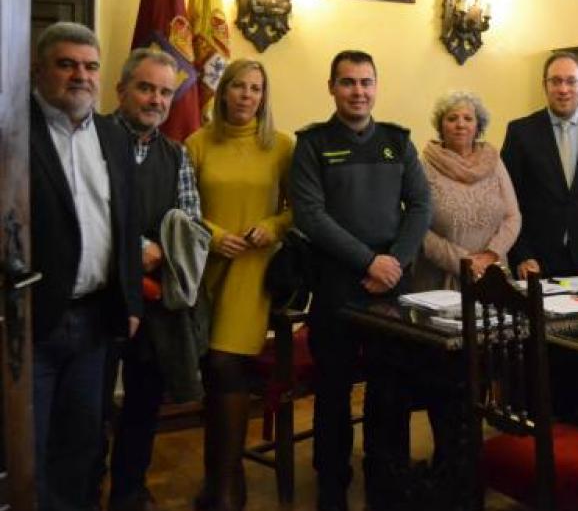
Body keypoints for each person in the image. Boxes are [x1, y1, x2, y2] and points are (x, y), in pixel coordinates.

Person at [290, 50, 432, 511]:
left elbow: (421, 207)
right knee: (333, 388)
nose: (358, 91)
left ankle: (384, 469)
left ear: (376, 86)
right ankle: (332, 477)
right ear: (331, 87)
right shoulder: (311, 144)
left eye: (366, 82)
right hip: (336, 283)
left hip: (392, 283)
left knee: (389, 383)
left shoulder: (398, 142)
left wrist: (395, 261)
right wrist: (368, 262)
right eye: (348, 82)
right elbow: (310, 215)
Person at [30, 22, 142, 511]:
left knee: (80, 446)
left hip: (95, 321)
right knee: (24, 448)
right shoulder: (12, 131)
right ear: (38, 70)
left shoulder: (113, 138)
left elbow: (127, 224)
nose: (81, 75)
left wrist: (131, 299)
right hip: (30, 322)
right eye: (67, 63)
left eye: (91, 66)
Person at [185, 58, 295, 510]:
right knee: (214, 370)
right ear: (222, 91)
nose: (247, 96)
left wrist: (272, 225)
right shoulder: (196, 143)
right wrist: (211, 236)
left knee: (227, 364)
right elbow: (181, 209)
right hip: (205, 268)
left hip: (256, 271)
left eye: (256, 89)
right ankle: (221, 480)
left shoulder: (282, 146)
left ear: (264, 97)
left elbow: (299, 209)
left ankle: (227, 487)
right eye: (239, 87)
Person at [105, 48, 205, 511]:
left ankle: (129, 492)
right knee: (88, 407)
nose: (156, 100)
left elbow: (190, 225)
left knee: (143, 405)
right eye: (146, 88)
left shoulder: (177, 154)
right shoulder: (91, 139)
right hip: (94, 302)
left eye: (166, 92)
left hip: (151, 301)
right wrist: (132, 250)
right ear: (122, 90)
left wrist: (164, 250)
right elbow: (78, 221)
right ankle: (82, 492)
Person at [501, 51, 578, 278]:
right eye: (555, 81)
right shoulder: (520, 133)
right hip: (534, 261)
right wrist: (521, 255)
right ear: (544, 86)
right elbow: (508, 203)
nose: (563, 89)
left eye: (570, 81)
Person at [416, 90, 520, 290]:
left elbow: (512, 216)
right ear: (440, 125)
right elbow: (417, 226)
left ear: (478, 126)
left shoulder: (494, 162)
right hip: (442, 279)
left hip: (493, 274)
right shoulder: (424, 166)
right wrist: (463, 261)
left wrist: (490, 255)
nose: (460, 124)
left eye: (468, 118)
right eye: (452, 118)